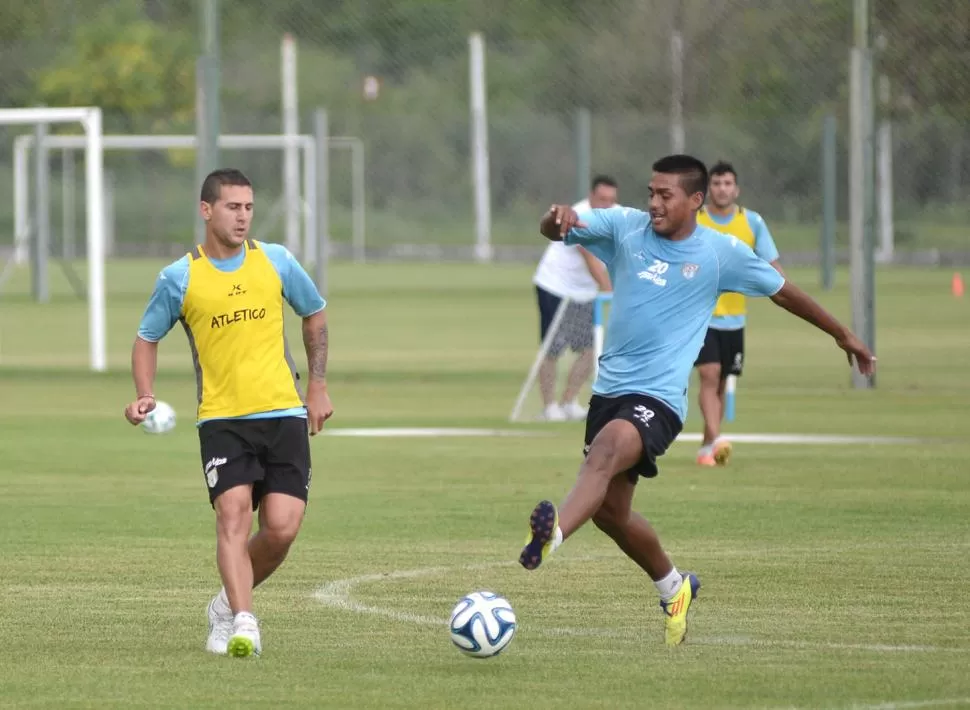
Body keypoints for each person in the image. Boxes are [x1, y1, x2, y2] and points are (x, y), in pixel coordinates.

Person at [518, 155, 875, 646]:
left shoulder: (720, 252)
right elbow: (560, 228)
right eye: (651, 193)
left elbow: (784, 292)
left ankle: (551, 535)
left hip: (659, 398)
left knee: (606, 451)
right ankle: (674, 587)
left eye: (665, 196)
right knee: (611, 514)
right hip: (609, 392)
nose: (654, 203)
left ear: (695, 201)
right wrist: (555, 217)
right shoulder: (625, 226)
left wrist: (843, 334)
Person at [123, 168, 334, 658]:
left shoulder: (275, 260)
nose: (243, 217)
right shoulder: (179, 277)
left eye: (248, 208)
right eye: (232, 207)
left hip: (283, 412)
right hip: (222, 420)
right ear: (206, 210)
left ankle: (224, 603)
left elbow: (315, 313)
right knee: (233, 516)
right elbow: (146, 338)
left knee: (281, 528)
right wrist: (144, 393)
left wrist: (318, 385)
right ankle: (243, 621)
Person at [693, 161, 783, 467]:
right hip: (701, 316)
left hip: (735, 319)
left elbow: (771, 264)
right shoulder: (696, 220)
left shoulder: (752, 222)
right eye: (716, 183)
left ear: (737, 189)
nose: (722, 189)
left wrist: (787, 293)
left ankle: (707, 445)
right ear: (708, 189)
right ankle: (717, 440)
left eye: (727, 183)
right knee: (709, 374)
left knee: (721, 383)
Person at [531, 175, 615, 421]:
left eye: (611, 200)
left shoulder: (616, 215)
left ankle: (568, 402)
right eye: (602, 199)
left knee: (590, 349)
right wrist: (611, 291)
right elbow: (590, 258)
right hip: (555, 286)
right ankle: (549, 407)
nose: (606, 205)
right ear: (591, 196)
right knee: (553, 348)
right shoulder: (578, 216)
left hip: (584, 291)